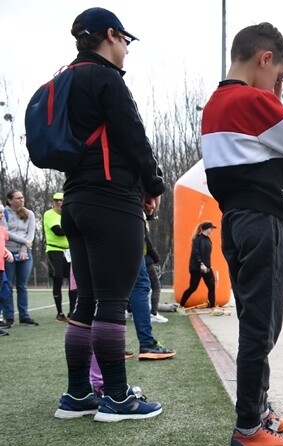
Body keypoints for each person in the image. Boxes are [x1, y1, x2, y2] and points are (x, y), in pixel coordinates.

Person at [201, 22, 283, 446]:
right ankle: (249, 427)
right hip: (262, 221)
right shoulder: (254, 100)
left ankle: (258, 408)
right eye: (278, 76)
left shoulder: (214, 104)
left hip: (236, 221)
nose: (278, 87)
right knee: (262, 326)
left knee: (255, 320)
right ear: (265, 59)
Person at [54, 8, 165, 422]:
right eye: (126, 41)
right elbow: (133, 137)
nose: (127, 49)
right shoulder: (105, 78)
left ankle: (77, 394)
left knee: (85, 301)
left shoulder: (65, 78)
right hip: (110, 199)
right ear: (112, 35)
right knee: (113, 301)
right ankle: (117, 397)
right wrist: (153, 185)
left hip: (75, 199)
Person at [2, 190, 40, 326]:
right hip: (8, 253)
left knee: (22, 286)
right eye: (18, 198)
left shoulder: (30, 214)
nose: (21, 200)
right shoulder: (4, 213)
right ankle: (8, 318)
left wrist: (24, 249)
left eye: (22, 197)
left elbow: (31, 234)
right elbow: (6, 233)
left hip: (25, 253)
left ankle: (24, 317)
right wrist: (24, 242)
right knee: (8, 285)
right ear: (10, 200)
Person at [43, 192, 76, 322]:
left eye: (61, 200)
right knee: (58, 279)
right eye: (56, 200)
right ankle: (59, 313)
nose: (59, 202)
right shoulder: (49, 214)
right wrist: (74, 228)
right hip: (54, 250)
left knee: (73, 282)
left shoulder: (70, 214)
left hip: (70, 251)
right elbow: (58, 231)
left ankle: (72, 312)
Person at [179, 221, 218, 311]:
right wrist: (201, 264)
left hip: (207, 267)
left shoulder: (208, 240)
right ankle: (181, 306)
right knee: (193, 288)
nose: (212, 230)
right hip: (197, 268)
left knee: (211, 287)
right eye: (211, 228)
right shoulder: (197, 239)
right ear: (206, 229)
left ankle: (213, 308)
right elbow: (196, 253)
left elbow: (207, 255)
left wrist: (208, 266)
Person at [144, 214, 167, 323]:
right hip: (146, 262)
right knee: (156, 286)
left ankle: (130, 310)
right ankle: (153, 313)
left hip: (136, 261)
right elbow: (148, 245)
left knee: (136, 288)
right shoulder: (143, 228)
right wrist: (156, 258)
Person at [0, 226, 11, 337]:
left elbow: (2, 245)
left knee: (3, 294)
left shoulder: (2, 230)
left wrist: (8, 252)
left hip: (1, 267)